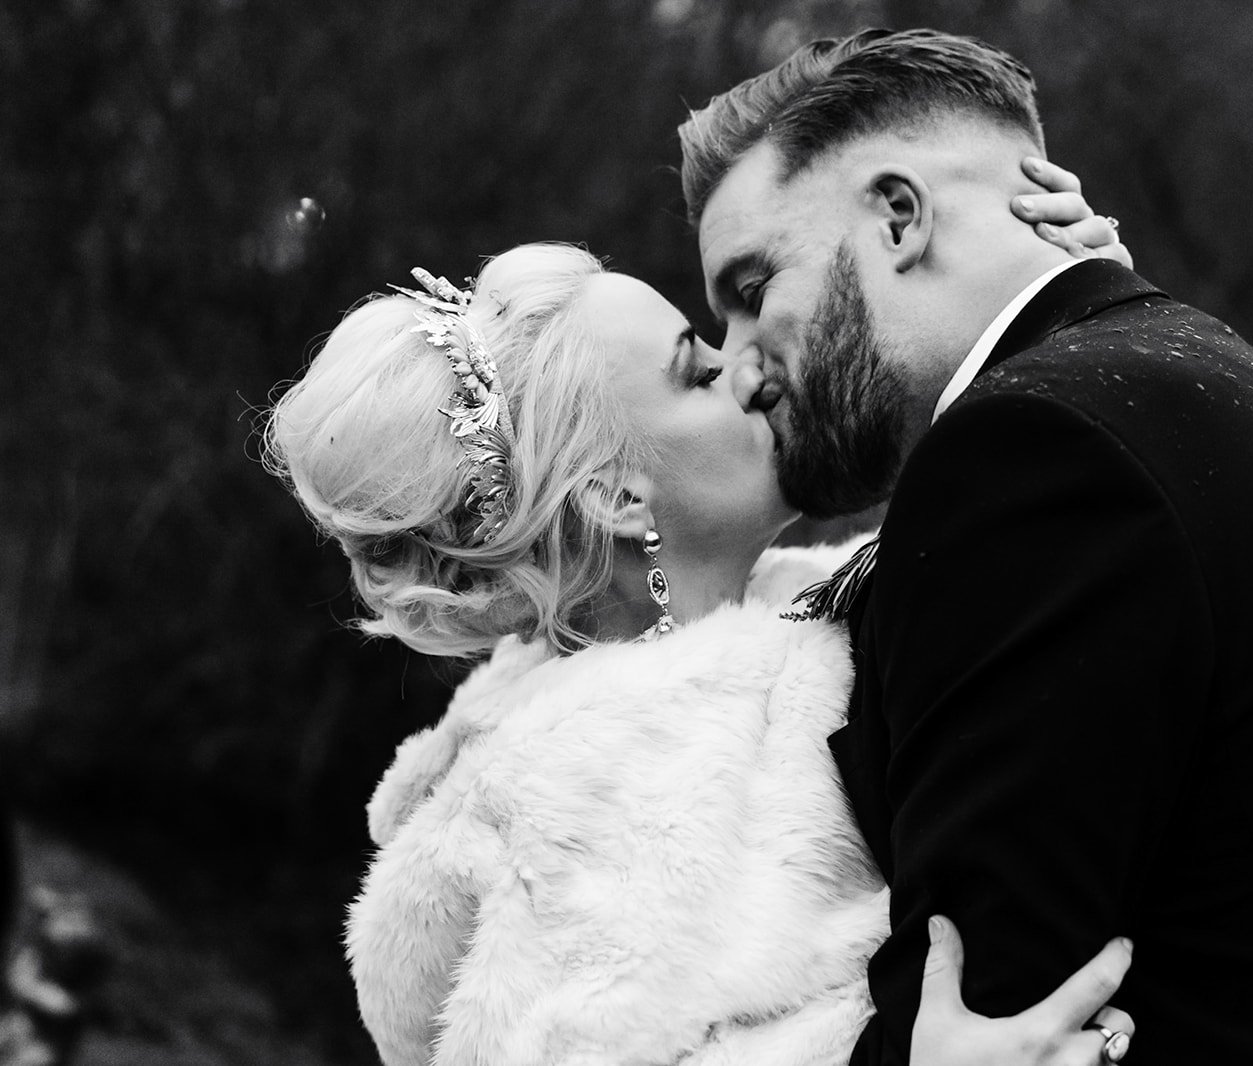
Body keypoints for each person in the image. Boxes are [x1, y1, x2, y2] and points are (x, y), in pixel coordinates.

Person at [679, 27, 1253, 1066]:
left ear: (897, 216)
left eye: (751, 291)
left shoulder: (1032, 455)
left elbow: (986, 1008)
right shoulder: (1216, 388)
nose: (742, 368)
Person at [266, 184, 1140, 1063]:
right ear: (614, 495)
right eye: (696, 370)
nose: (750, 369)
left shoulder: (823, 597)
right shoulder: (576, 789)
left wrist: (1077, 314)